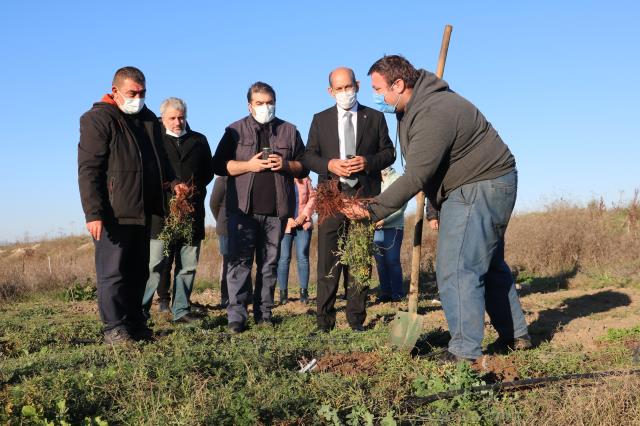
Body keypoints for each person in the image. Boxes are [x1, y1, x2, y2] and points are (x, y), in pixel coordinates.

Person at [344, 55, 530, 362]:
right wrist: (435, 207)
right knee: (488, 264)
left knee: (457, 267)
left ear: (399, 84)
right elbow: (436, 168)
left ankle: (464, 352)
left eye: (378, 89)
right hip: (480, 183)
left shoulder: (433, 111)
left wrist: (372, 209)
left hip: (479, 185)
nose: (376, 96)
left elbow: (416, 175)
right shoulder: (413, 109)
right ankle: (516, 336)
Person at [78, 66, 186, 344]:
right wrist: (94, 213)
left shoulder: (148, 119)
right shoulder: (97, 119)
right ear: (115, 91)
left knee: (139, 271)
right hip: (113, 212)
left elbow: (160, 158)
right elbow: (89, 169)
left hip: (145, 209)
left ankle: (136, 324)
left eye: (142, 92)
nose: (137, 98)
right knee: (113, 273)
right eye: (132, 93)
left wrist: (174, 183)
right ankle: (114, 328)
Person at [302, 67, 395, 332]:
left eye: (349, 87)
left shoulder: (375, 118)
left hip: (363, 198)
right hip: (332, 198)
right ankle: (325, 322)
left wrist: (367, 161)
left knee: (359, 260)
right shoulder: (320, 120)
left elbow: (389, 153)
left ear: (357, 85)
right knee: (328, 261)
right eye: (339, 89)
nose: (345, 93)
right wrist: (329, 164)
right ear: (330, 91)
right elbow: (308, 156)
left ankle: (356, 320)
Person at [212, 82, 307, 334]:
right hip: (242, 211)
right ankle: (236, 317)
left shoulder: (289, 130)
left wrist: (286, 164)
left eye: (270, 102)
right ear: (250, 105)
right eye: (260, 103)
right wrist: (248, 166)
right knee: (239, 264)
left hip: (276, 212)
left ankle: (264, 313)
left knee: (270, 264)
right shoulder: (234, 130)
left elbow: (304, 166)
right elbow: (219, 165)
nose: (266, 107)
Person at [142, 97, 214, 323]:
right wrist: (172, 186)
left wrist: (191, 188)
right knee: (155, 265)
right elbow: (149, 174)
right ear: (162, 119)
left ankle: (181, 310)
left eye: (181, 117)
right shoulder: (154, 142)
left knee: (188, 266)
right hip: (161, 214)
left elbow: (208, 173)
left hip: (191, 213)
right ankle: (140, 311)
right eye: (172, 118)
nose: (177, 122)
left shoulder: (199, 140)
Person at [276, 176, 316, 305]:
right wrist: (287, 218)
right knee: (284, 258)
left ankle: (304, 293)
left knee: (302, 257)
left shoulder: (305, 179)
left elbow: (313, 197)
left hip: (303, 224)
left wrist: (304, 215)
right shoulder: (281, 178)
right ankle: (283, 293)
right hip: (285, 224)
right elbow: (277, 200)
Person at [373, 166, 407, 303]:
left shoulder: (398, 179)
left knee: (392, 261)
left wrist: (384, 220)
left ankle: (398, 293)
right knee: (380, 262)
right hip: (376, 227)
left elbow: (401, 206)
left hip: (393, 226)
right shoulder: (376, 180)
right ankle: (385, 292)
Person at [210, 176, 230, 307]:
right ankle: (225, 297)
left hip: (243, 228)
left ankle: (244, 295)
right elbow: (213, 204)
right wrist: (221, 220)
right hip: (225, 228)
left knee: (243, 262)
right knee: (227, 263)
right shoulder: (221, 180)